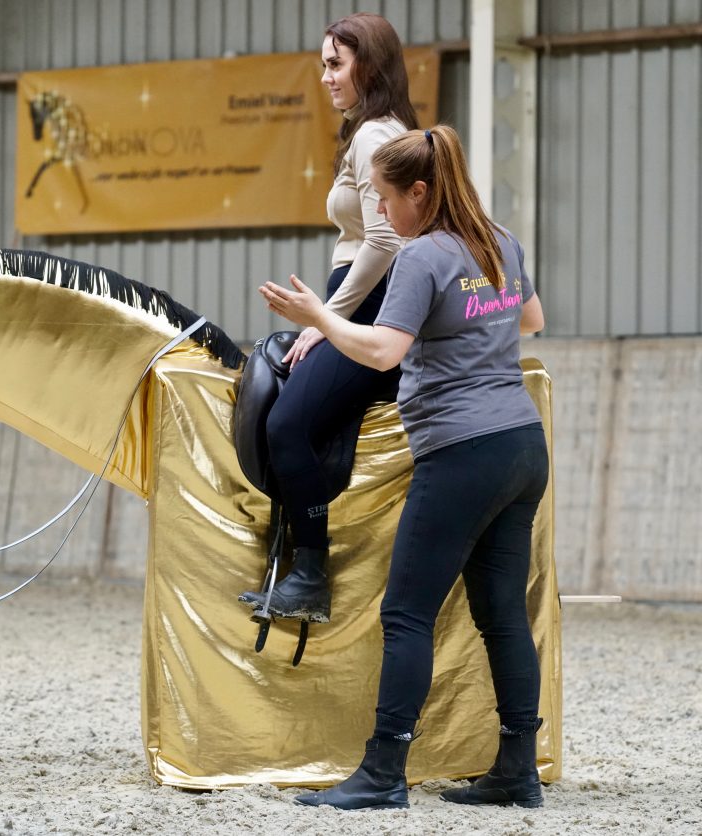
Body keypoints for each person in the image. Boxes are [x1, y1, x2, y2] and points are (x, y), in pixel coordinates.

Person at [258, 124, 549, 811]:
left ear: (420, 192)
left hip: (462, 451)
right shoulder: (500, 241)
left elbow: (383, 352)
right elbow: (531, 319)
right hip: (521, 447)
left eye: (386, 201)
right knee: (503, 613)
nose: (380, 215)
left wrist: (318, 316)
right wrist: (474, 329)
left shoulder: (423, 257)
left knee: (406, 614)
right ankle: (518, 769)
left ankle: (383, 772)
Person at [238, 12, 418, 625]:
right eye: (323, 64)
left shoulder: (374, 139)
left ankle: (311, 571)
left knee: (287, 423)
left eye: (335, 64)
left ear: (368, 66)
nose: (327, 76)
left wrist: (325, 319)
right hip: (355, 297)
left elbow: (386, 241)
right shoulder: (376, 131)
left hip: (363, 303)